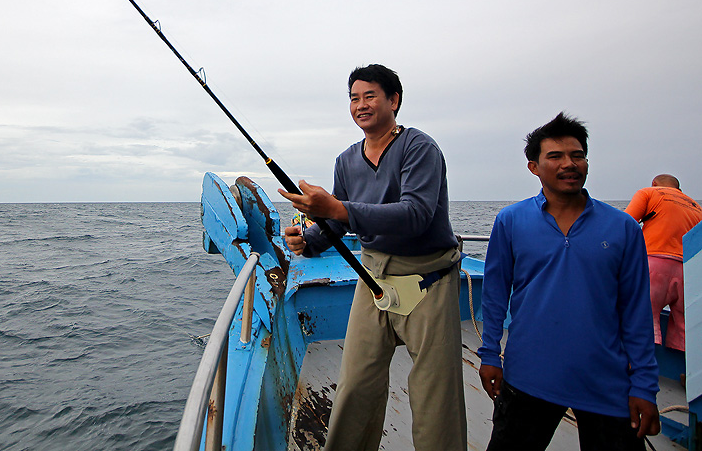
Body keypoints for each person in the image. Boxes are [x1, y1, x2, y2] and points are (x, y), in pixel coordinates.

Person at [279, 64, 466, 451]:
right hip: (373, 276)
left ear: (394, 101)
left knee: (435, 394)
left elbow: (416, 214)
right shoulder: (346, 161)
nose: (360, 105)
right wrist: (309, 241)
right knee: (355, 385)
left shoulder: (420, 148)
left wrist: (336, 208)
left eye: (369, 96)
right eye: (353, 98)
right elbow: (337, 223)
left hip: (427, 279)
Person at [477, 112, 660, 450]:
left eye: (577, 155)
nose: (569, 164)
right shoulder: (511, 221)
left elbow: (636, 310)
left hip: (606, 382)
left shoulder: (622, 228)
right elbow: (495, 293)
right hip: (527, 377)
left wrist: (644, 386)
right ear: (534, 167)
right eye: (555, 156)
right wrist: (489, 354)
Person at [625, 174, 702, 352]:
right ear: (679, 190)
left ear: (654, 184)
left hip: (654, 265)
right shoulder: (696, 207)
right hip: (687, 271)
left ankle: (635, 366)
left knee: (645, 316)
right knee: (684, 324)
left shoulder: (649, 193)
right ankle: (685, 374)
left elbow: (626, 223)